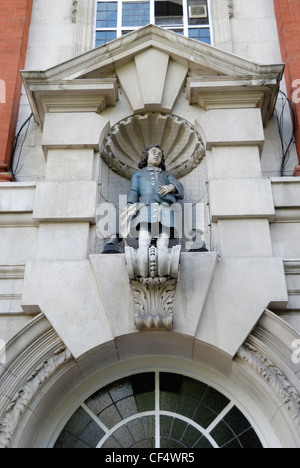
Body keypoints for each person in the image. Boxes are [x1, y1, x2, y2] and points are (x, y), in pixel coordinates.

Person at [125, 144, 184, 250]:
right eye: (153, 152)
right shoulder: (138, 174)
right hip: (145, 207)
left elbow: (178, 186)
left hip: (165, 207)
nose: (156, 155)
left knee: (164, 231)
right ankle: (142, 250)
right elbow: (134, 190)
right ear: (146, 156)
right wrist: (130, 204)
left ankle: (163, 251)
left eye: (159, 154)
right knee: (144, 229)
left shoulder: (166, 175)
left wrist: (171, 187)